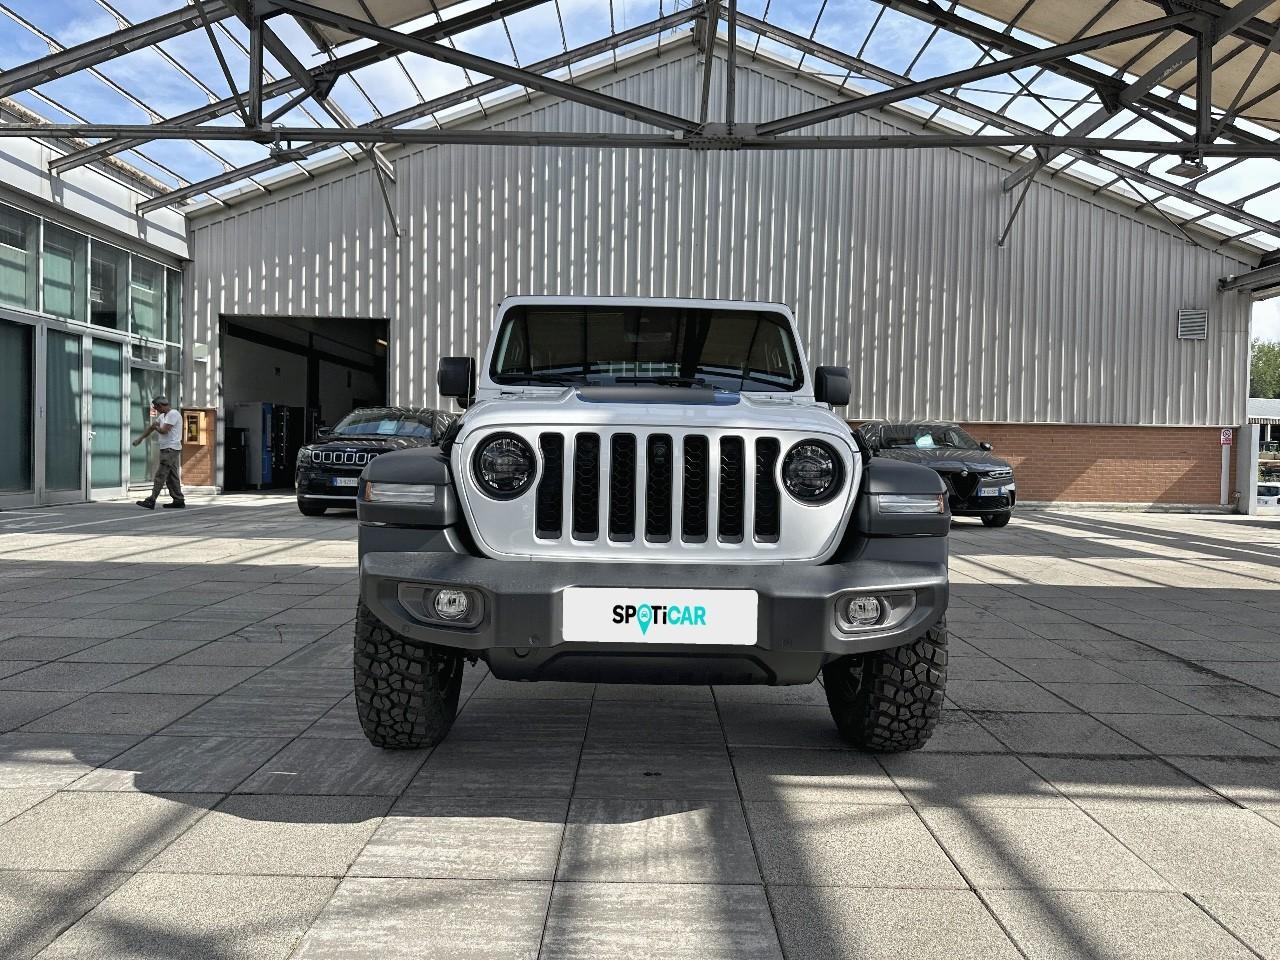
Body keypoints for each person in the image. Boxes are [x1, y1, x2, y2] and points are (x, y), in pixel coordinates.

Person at [132, 396, 185, 510]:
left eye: (156, 407)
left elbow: (164, 430)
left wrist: (156, 428)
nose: (155, 409)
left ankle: (151, 500)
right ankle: (178, 500)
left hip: (170, 449)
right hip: (168, 449)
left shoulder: (173, 414)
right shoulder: (162, 416)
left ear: (161, 405)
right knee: (172, 476)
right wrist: (140, 438)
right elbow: (152, 427)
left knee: (161, 474)